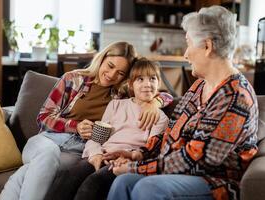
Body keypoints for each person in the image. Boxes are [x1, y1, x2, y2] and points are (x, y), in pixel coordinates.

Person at [106, 6, 259, 200]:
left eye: (188, 44)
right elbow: (172, 133)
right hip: (183, 171)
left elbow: (198, 160)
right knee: (123, 181)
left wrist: (136, 167)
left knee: (149, 188)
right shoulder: (199, 86)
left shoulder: (235, 96)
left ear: (207, 46)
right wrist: (139, 154)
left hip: (215, 181)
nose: (185, 54)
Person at [0, 42, 171, 200]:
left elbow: (156, 89)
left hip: (78, 150)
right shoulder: (73, 78)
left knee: (32, 171)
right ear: (102, 58)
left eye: (120, 73)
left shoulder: (120, 95)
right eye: (110, 66)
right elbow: (43, 117)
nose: (111, 75)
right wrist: (76, 126)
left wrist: (156, 102)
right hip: (48, 140)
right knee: (47, 155)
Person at [45, 57, 172, 200]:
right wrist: (95, 154)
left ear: (159, 83)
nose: (147, 84)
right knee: (69, 176)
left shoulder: (160, 117)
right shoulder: (116, 105)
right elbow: (97, 137)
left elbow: (150, 150)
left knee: (93, 183)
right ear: (130, 85)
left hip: (124, 159)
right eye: (140, 79)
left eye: (152, 79)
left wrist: (127, 157)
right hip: (103, 153)